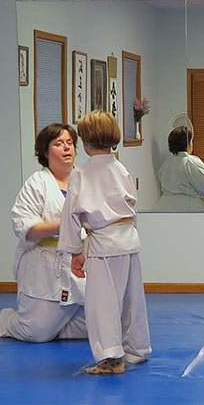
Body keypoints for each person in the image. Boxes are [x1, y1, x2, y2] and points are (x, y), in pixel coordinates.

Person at [58, 110, 151, 374]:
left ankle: (111, 359)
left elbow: (70, 216)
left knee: (102, 304)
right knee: (133, 299)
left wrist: (74, 251)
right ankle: (138, 348)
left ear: (84, 143)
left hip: (103, 246)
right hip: (129, 241)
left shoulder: (81, 174)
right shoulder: (120, 168)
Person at [0, 123, 86, 342]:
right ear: (45, 152)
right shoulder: (38, 183)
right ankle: (7, 320)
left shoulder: (84, 181)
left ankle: (52, 325)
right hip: (44, 267)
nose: (66, 148)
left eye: (70, 143)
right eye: (59, 143)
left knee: (98, 329)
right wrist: (64, 225)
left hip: (79, 265)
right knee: (36, 334)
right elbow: (25, 227)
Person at [157, 126, 204, 210]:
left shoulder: (166, 164)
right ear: (188, 143)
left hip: (163, 209)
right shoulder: (191, 162)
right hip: (189, 211)